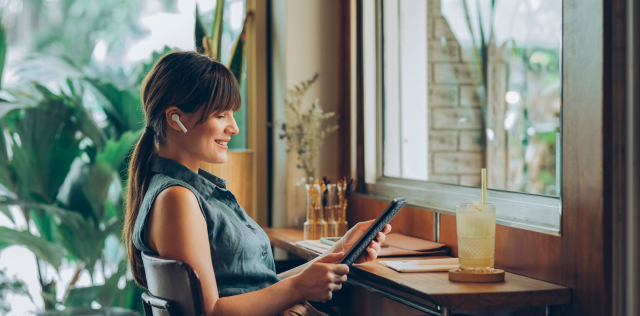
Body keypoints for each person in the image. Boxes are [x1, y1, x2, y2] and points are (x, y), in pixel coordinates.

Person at [123, 51, 391, 316]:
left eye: (232, 114)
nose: (234, 127)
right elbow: (212, 312)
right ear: (175, 119)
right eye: (220, 115)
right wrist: (298, 288)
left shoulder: (184, 193)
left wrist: (341, 250)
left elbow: (259, 287)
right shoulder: (177, 199)